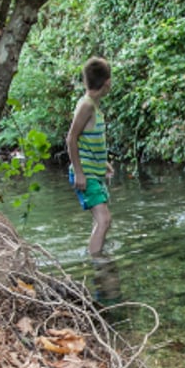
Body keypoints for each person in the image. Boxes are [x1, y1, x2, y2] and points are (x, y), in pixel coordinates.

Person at [66, 56, 114, 257]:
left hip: (94, 171)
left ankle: (96, 252)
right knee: (104, 220)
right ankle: (96, 261)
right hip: (85, 174)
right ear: (107, 83)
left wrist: (104, 163)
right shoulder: (86, 106)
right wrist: (79, 173)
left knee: (100, 220)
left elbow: (89, 140)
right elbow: (71, 139)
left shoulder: (93, 105)